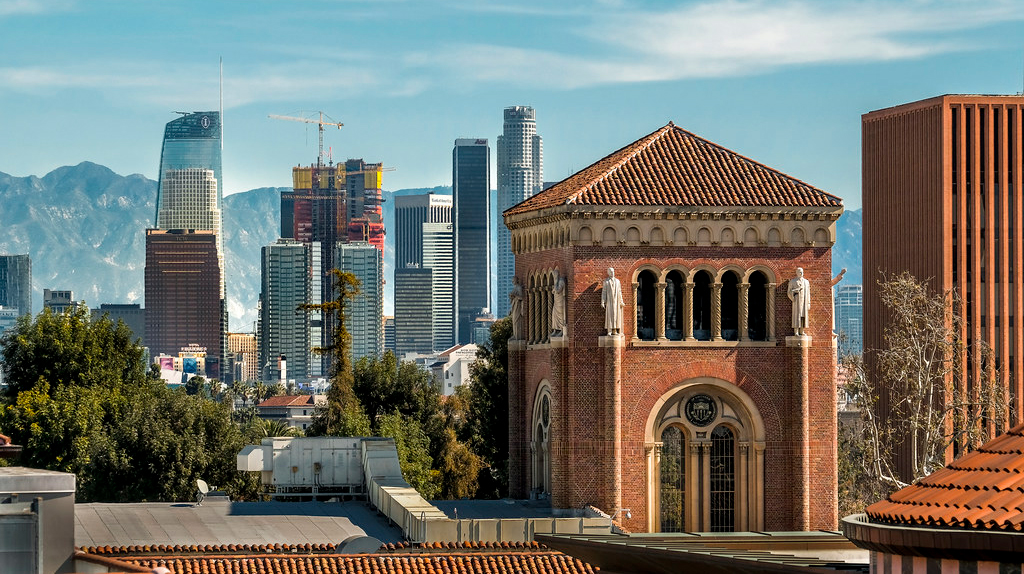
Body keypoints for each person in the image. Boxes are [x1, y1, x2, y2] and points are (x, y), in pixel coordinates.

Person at [601, 267, 624, 336]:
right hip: (609, 301)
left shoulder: (617, 281)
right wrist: (602, 302)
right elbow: (604, 292)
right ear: (608, 273)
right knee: (610, 315)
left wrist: (621, 301)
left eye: (613, 271)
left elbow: (620, 292)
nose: (612, 273)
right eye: (610, 272)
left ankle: (615, 330)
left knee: (616, 315)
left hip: (616, 300)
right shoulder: (606, 281)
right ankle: (609, 330)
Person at [788, 267, 811, 336]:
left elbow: (808, 293)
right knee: (796, 316)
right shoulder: (793, 281)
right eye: (800, 272)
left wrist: (808, 302)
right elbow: (789, 292)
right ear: (797, 273)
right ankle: (796, 331)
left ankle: (802, 330)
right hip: (796, 301)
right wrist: (794, 292)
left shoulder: (806, 282)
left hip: (804, 301)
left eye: (802, 272)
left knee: (803, 316)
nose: (801, 273)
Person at [550, 269, 567, 336]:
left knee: (561, 315)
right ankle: (555, 329)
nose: (554, 276)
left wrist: (555, 282)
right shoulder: (556, 281)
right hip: (556, 301)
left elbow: (557, 290)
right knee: (554, 315)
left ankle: (562, 330)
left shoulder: (561, 281)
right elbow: (552, 291)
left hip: (560, 301)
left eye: (555, 275)